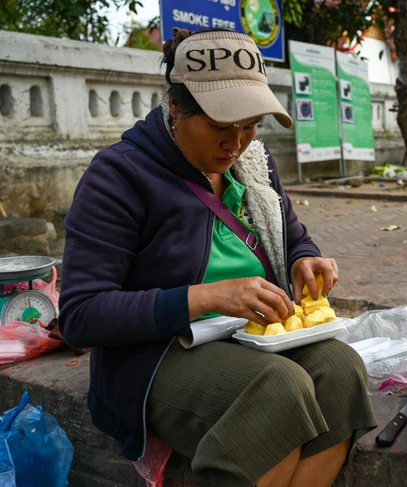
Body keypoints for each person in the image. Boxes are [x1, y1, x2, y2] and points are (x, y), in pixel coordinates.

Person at [58, 28, 376, 487]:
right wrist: (207, 297)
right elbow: (81, 314)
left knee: (342, 369)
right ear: (175, 107)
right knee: (279, 388)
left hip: (249, 340)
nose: (236, 144)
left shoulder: (254, 165)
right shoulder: (120, 175)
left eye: (250, 126)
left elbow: (293, 237)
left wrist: (304, 260)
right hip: (155, 354)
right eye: (220, 127)